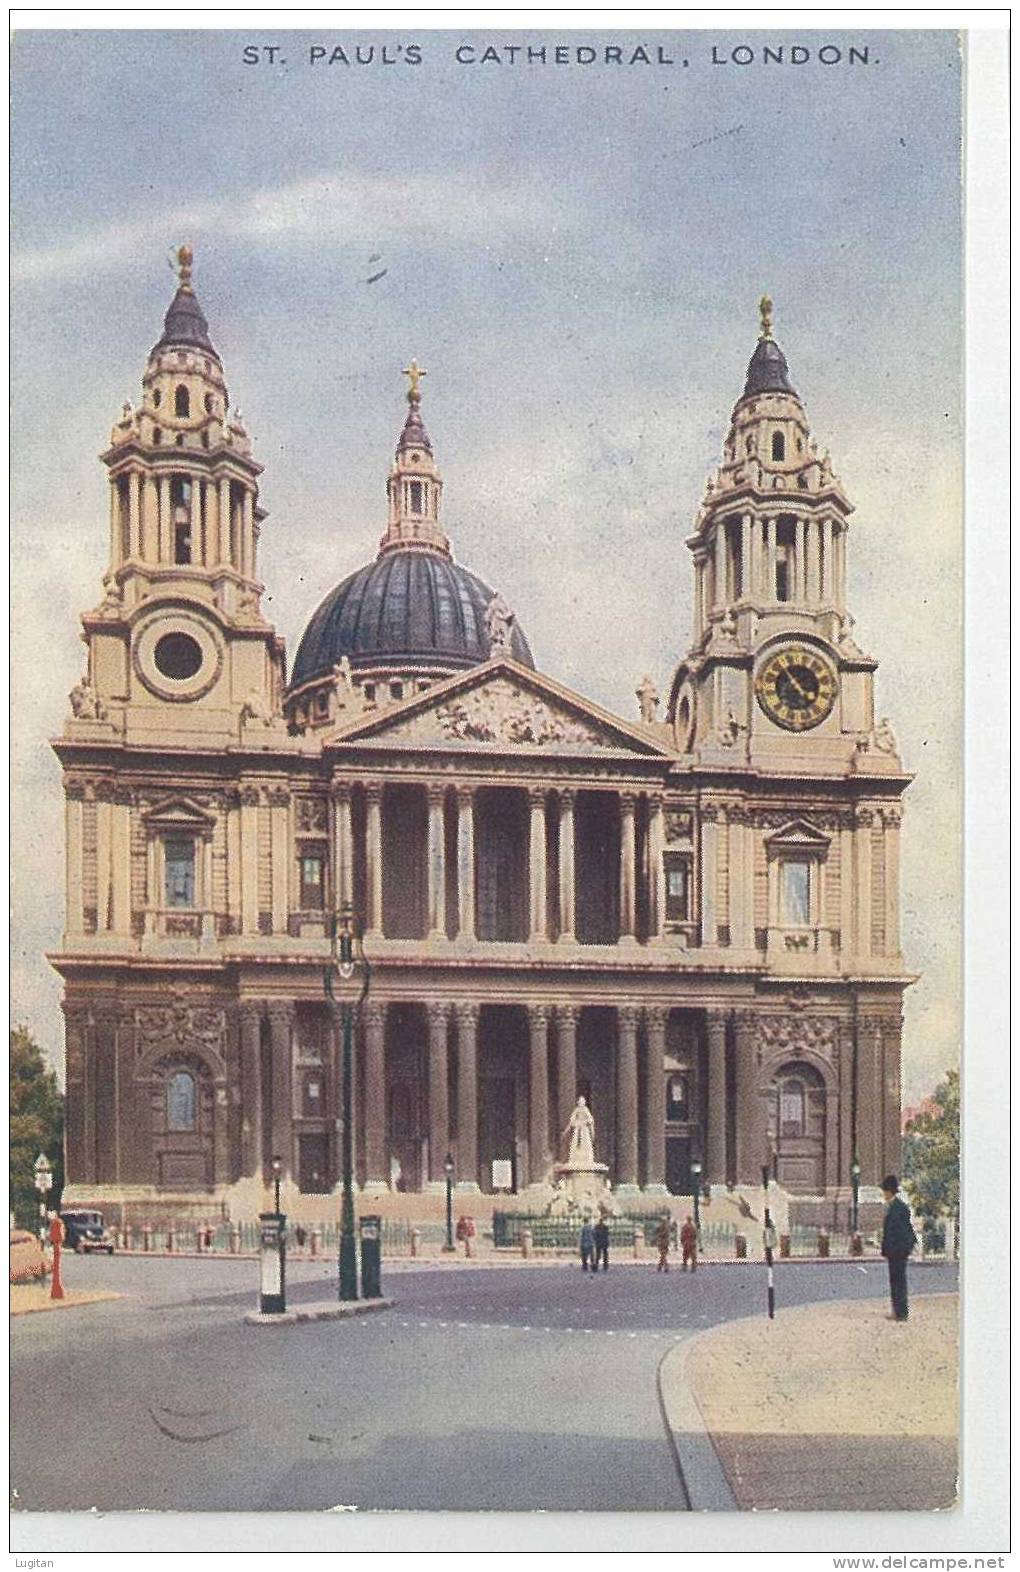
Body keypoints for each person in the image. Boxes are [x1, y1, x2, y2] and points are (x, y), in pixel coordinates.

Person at [880, 1174, 917, 1321]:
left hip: (898, 1251)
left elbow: (901, 1231)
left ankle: (901, 1312)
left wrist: (900, 1249)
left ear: (889, 1191)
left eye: (884, 1191)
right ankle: (898, 1311)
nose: (883, 1194)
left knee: (898, 1282)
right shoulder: (896, 1206)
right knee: (896, 1281)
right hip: (895, 1251)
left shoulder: (898, 1208)